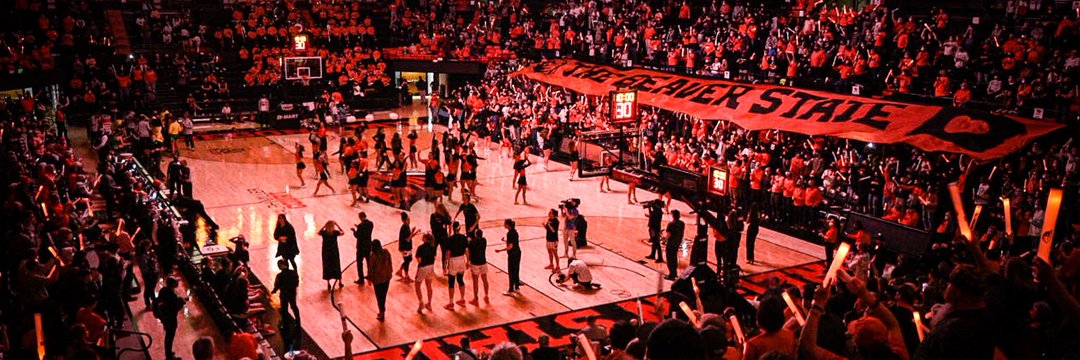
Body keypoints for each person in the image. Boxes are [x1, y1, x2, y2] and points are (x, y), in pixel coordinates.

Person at [154, 277, 186, 360]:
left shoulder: (163, 290)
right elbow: (175, 308)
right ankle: (169, 356)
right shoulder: (172, 295)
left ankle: (168, 353)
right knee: (169, 338)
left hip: (165, 316)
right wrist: (181, 303)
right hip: (170, 319)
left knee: (168, 337)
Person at [445, 222, 468, 309]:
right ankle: (462, 299)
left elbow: (448, 252)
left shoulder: (450, 239)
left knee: (451, 282)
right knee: (460, 280)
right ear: (459, 228)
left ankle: (451, 303)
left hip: (453, 260)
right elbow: (466, 250)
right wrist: (468, 261)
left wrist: (446, 263)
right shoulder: (464, 238)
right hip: (462, 259)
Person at [496, 219, 522, 296]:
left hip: (512, 254)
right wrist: (505, 241)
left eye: (505, 223)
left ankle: (510, 289)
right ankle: (517, 288)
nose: (504, 224)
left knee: (511, 271)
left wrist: (500, 250)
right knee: (516, 270)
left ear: (508, 225)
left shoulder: (509, 233)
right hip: (518, 252)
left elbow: (510, 246)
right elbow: (514, 242)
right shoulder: (515, 232)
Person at [368, 240, 392, 321]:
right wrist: (390, 271)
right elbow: (390, 262)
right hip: (386, 277)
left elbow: (371, 269)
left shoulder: (373, 256)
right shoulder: (386, 252)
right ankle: (382, 311)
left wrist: (369, 278)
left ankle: (381, 312)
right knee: (383, 296)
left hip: (378, 279)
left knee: (379, 297)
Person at [272, 259, 300, 323]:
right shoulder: (293, 273)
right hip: (292, 292)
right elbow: (297, 283)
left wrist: (274, 291)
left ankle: (285, 322)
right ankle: (298, 320)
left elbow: (277, 285)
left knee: (284, 308)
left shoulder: (279, 275)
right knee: (294, 306)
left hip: (284, 294)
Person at [414, 233, 437, 313]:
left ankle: (421, 303)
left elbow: (419, 261)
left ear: (425, 239)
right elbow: (434, 258)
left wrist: (417, 272)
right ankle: (429, 304)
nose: (422, 237)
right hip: (431, 267)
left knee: (417, 285)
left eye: (423, 236)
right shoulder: (433, 247)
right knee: (429, 286)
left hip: (423, 268)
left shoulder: (420, 248)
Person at [319, 220, 344, 291]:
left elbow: (318, 232)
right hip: (334, 251)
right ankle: (340, 281)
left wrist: (324, 226)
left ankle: (328, 283)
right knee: (336, 265)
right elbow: (343, 232)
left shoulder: (324, 233)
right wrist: (337, 225)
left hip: (326, 252)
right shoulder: (335, 233)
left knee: (327, 266)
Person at [467, 229, 490, 305]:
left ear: (476, 234)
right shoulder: (484, 240)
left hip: (475, 263)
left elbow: (468, 249)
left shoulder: (472, 242)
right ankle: (486, 296)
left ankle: (475, 299)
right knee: (485, 280)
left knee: (475, 282)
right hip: (483, 262)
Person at [396, 212, 420, 282]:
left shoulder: (407, 226)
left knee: (408, 260)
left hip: (406, 247)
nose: (409, 220)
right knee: (407, 261)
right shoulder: (404, 228)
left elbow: (410, 237)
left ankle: (400, 270)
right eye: (408, 219)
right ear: (405, 220)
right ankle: (406, 276)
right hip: (405, 248)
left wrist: (415, 232)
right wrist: (413, 232)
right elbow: (408, 239)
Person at [353, 212, 374, 284]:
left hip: (361, 247)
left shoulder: (361, 225)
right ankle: (370, 275)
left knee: (359, 263)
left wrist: (354, 231)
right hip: (368, 245)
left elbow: (357, 235)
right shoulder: (371, 223)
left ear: (360, 217)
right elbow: (366, 232)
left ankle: (361, 279)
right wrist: (358, 227)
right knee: (369, 262)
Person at [664, 210, 685, 280]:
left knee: (670, 259)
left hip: (671, 243)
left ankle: (672, 274)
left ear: (673, 216)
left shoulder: (671, 224)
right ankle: (674, 272)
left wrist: (665, 240)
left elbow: (668, 235)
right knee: (674, 258)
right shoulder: (682, 223)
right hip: (677, 242)